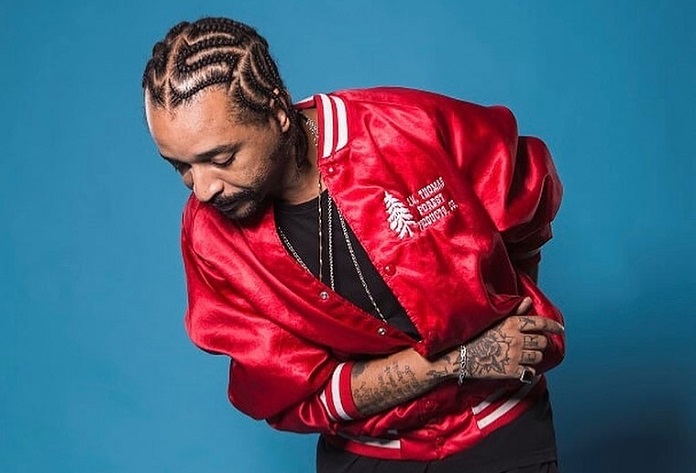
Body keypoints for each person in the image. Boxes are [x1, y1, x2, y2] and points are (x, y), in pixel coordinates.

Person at [142, 17, 566, 473]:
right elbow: (297, 396)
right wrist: (459, 361)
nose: (203, 188)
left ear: (277, 112)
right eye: (180, 167)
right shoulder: (209, 239)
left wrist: (517, 316)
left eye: (222, 158)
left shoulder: (406, 127)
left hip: (502, 427)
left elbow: (524, 198)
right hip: (368, 455)